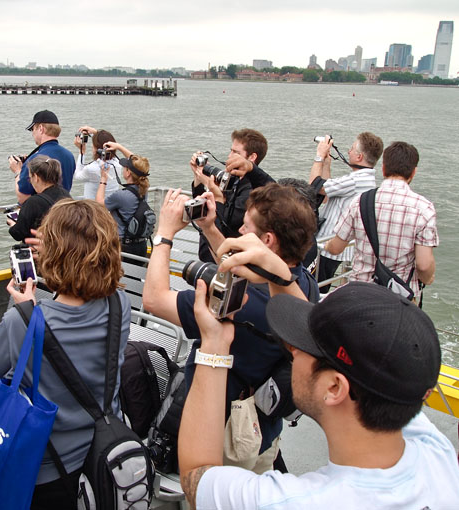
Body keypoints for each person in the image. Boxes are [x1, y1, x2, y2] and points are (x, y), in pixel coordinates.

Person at [179, 272, 459, 509]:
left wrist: (214, 345)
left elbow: (197, 476)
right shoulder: (436, 455)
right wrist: (281, 276)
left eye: (301, 348)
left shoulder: (291, 502)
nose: (290, 348)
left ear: (334, 387)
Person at [143, 183, 319, 473]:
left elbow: (154, 299)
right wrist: (210, 228)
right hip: (261, 430)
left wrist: (164, 234)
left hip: (221, 438)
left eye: (246, 228)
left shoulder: (240, 305)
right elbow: (240, 264)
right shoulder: (299, 285)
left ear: (268, 240)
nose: (238, 232)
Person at [0, 199, 131, 509]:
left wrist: (23, 307)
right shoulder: (120, 305)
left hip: (45, 472)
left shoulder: (22, 320)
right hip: (103, 455)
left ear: (51, 255)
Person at [324, 141, 437, 299]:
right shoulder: (424, 209)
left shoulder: (361, 201)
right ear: (413, 172)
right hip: (398, 298)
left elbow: (336, 247)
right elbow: (424, 265)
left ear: (383, 169)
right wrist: (428, 278)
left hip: (360, 293)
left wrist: (326, 245)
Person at [310, 132, 383, 292]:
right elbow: (327, 193)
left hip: (328, 247)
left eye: (351, 149)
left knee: (316, 288)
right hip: (341, 248)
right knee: (322, 285)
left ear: (359, 156)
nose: (348, 152)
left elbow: (313, 186)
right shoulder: (366, 179)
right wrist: (327, 164)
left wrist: (319, 156)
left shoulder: (355, 180)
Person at [191, 128, 274, 262]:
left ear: (252, 157)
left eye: (235, 152)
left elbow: (226, 224)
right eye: (231, 150)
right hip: (213, 254)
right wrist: (199, 177)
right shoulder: (234, 180)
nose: (229, 156)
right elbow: (202, 207)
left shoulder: (253, 194)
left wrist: (217, 197)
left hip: (227, 259)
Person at [96, 142, 152, 258]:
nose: (123, 169)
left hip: (123, 248)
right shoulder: (144, 189)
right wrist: (119, 147)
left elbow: (98, 204)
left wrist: (103, 178)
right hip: (141, 245)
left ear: (128, 173)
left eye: (125, 167)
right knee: (135, 276)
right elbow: (140, 166)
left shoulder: (121, 196)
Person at [9, 110, 75, 204]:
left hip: (41, 213)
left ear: (41, 128)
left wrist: (17, 171)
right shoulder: (69, 155)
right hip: (63, 211)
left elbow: (22, 197)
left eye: (33, 129)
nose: (32, 134)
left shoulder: (34, 160)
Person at [8, 157, 71, 241]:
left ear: (36, 177)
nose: (30, 181)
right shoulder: (66, 194)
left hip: (43, 249)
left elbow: (18, 234)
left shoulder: (33, 202)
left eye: (30, 178)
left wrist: (12, 224)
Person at [72, 125, 121, 199]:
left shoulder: (91, 169)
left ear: (97, 150)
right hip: (111, 207)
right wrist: (95, 132)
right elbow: (108, 143)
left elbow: (77, 175)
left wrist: (82, 152)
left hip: (93, 207)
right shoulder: (117, 163)